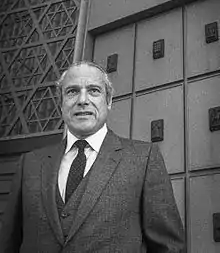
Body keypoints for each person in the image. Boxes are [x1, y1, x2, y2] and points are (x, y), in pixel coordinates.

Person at [0, 61, 185, 252]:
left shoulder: (143, 158)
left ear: (109, 100)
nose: (82, 100)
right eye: (72, 91)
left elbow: (168, 247)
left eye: (94, 91)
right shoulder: (29, 164)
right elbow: (8, 244)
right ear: (60, 102)